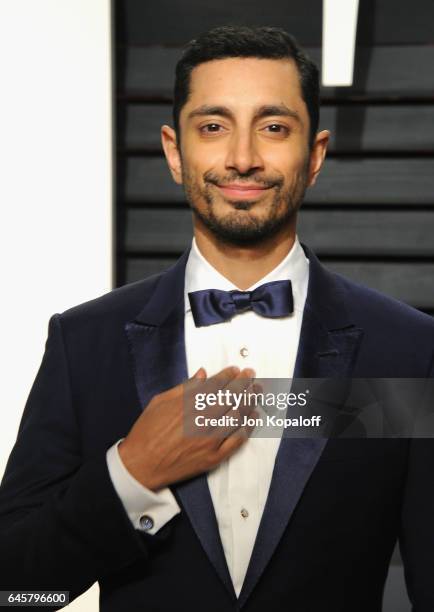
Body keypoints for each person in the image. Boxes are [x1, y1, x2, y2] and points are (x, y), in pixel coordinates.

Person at [1, 25, 434, 612]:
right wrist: (132, 474)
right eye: (212, 127)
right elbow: (18, 592)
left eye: (274, 127)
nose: (242, 158)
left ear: (315, 156)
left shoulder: (409, 351)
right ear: (175, 153)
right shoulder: (84, 343)